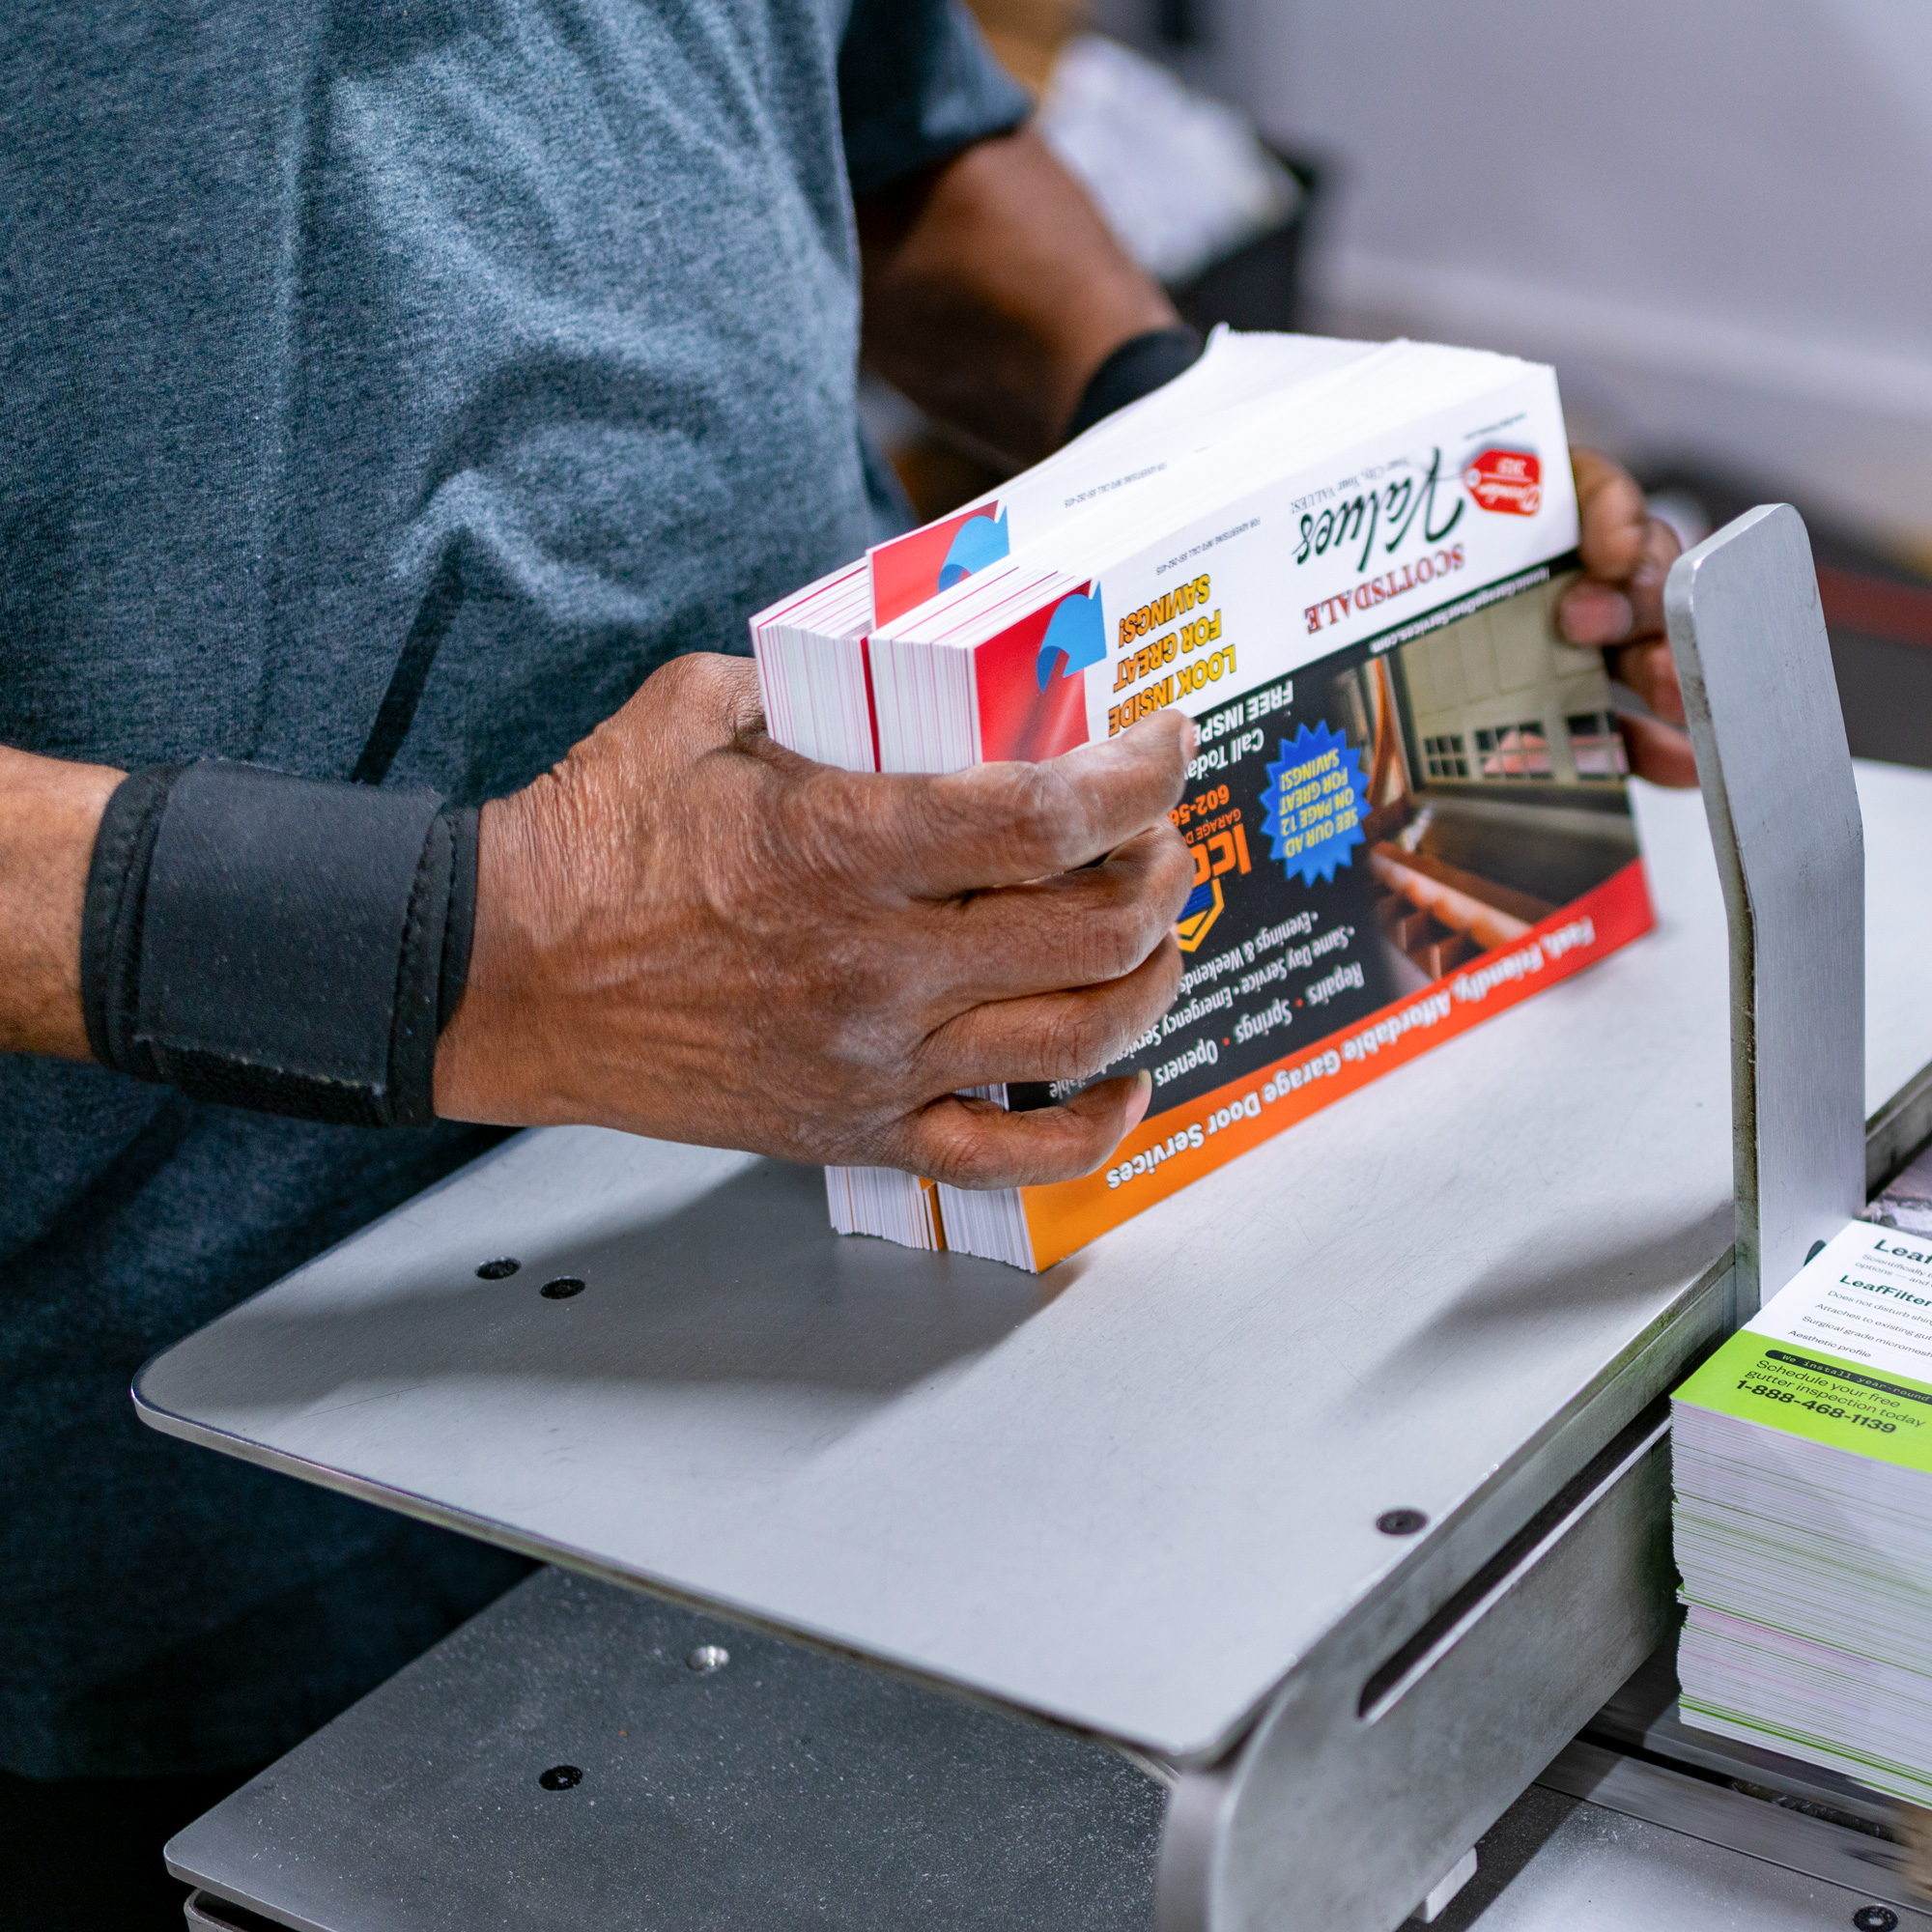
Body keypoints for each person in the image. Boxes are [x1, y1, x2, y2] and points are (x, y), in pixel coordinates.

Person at [0, 0, 1691, 1918]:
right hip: (180, 1458)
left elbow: (885, 126)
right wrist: (476, 951)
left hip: (894, 1253)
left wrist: (1242, 481)